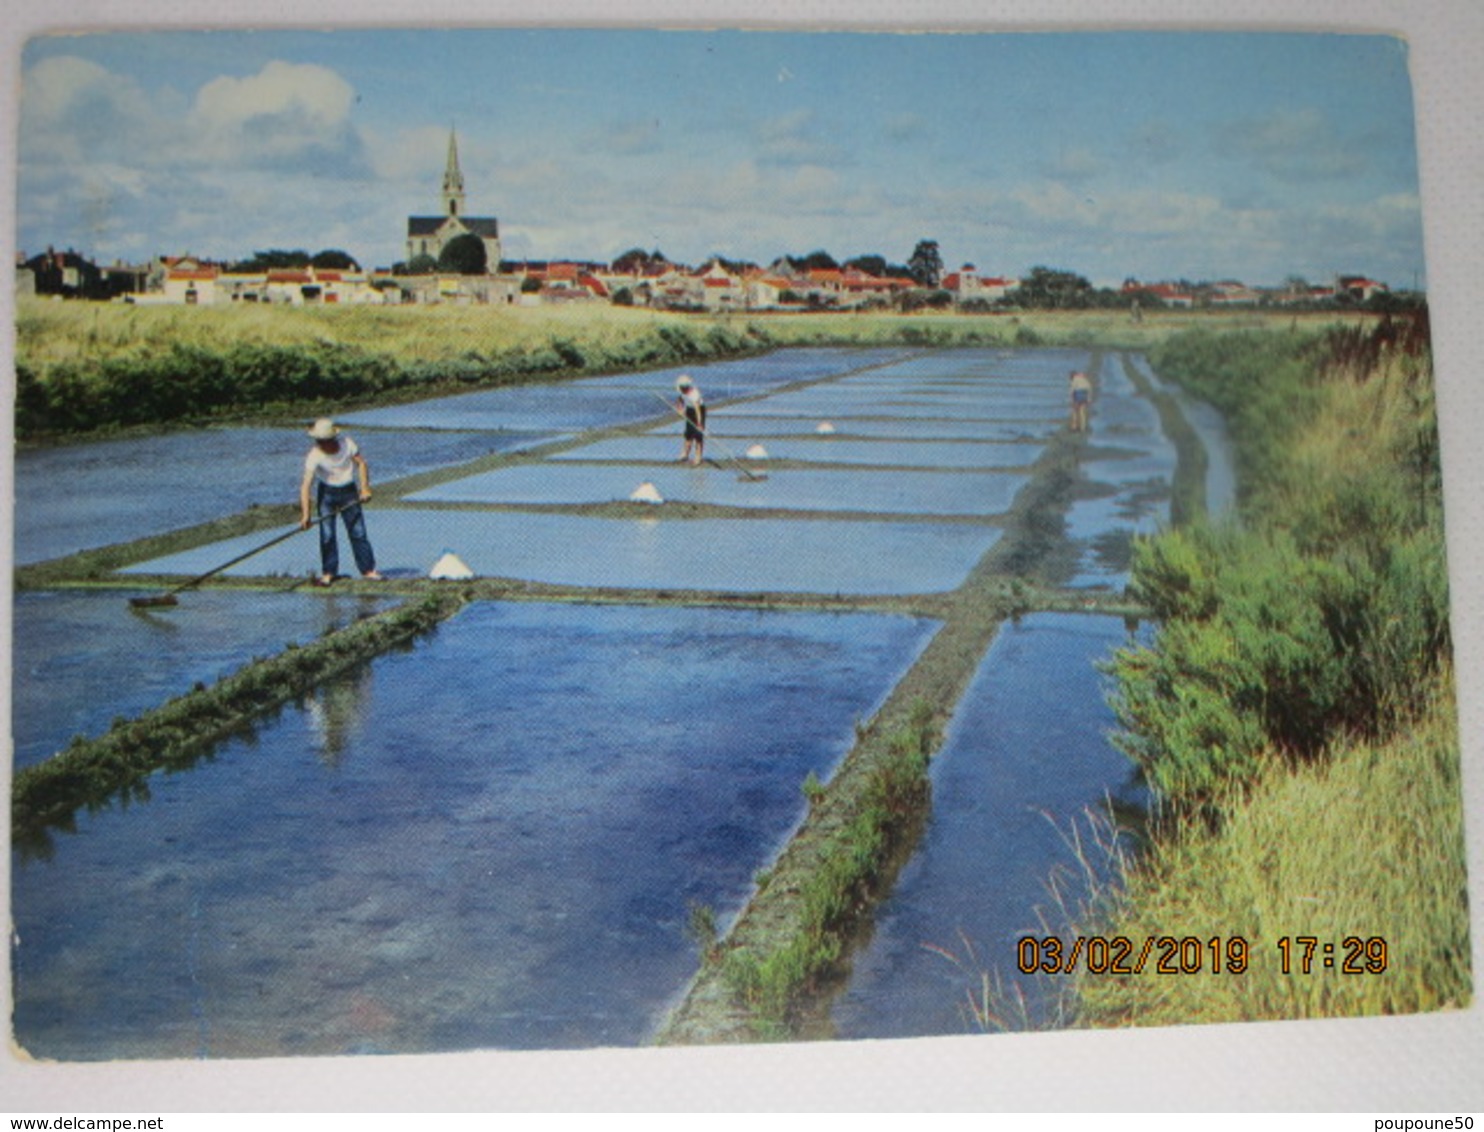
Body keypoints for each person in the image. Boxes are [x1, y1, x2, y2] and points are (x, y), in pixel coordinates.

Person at [299, 418, 382, 585]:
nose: (321, 444)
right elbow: (306, 486)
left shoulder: (347, 444)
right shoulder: (314, 455)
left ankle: (368, 570)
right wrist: (306, 515)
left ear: (332, 439)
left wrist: (364, 488)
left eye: (324, 441)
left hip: (349, 491)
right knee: (327, 534)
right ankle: (329, 572)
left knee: (358, 532)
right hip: (327, 493)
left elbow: (362, 464)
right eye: (319, 441)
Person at [675, 375, 707, 465]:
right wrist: (680, 408)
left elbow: (698, 410)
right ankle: (685, 454)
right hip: (689, 410)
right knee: (688, 434)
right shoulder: (682, 391)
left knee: (698, 435)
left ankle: (698, 457)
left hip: (699, 411)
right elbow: (680, 399)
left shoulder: (694, 394)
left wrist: (699, 424)